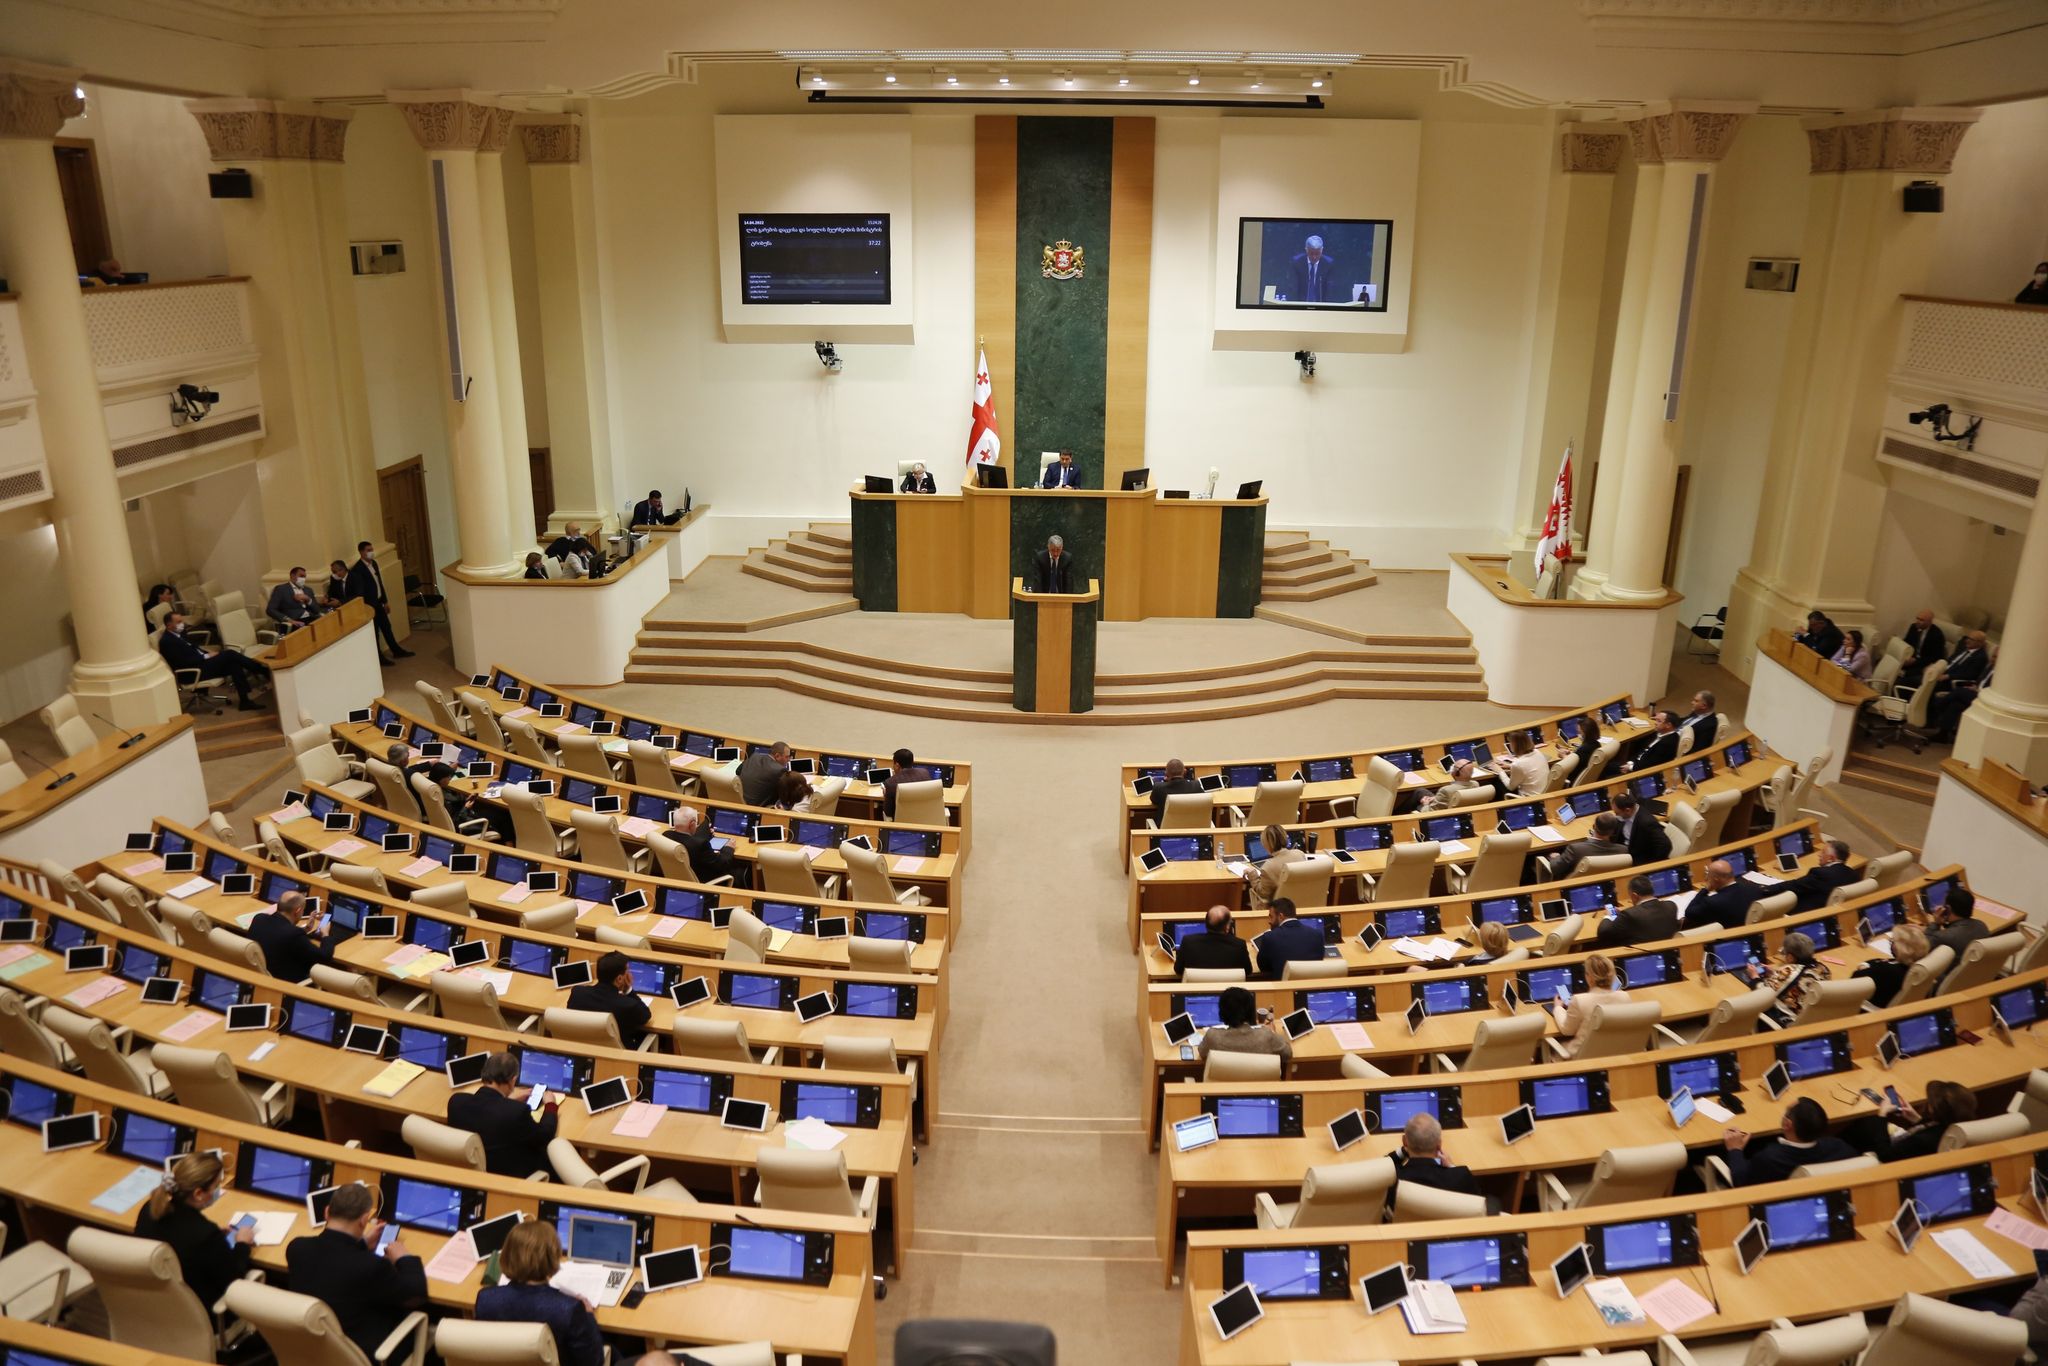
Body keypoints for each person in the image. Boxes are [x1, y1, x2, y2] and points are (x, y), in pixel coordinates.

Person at [284, 1181, 426, 1361]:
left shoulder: (297, 1248)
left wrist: (362, 1243)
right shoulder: (372, 1266)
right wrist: (404, 1258)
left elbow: (334, 1260)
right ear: (364, 1220)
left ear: (327, 1212)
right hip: (359, 1354)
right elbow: (416, 1295)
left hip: (309, 1350)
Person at [135, 1152, 253, 1310]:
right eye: (216, 1186)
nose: (219, 1190)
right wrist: (243, 1244)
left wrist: (216, 1239)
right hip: (202, 1310)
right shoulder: (205, 1235)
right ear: (198, 1194)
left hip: (153, 1305)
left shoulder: (150, 1209)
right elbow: (234, 1280)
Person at [475, 1222, 604, 1366]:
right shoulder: (570, 1309)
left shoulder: (485, 1300)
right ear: (553, 1257)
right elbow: (594, 1362)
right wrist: (589, 1316)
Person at [446, 1053, 558, 1176]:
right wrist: (550, 1105)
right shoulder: (517, 1112)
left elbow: (487, 1110)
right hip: (510, 1174)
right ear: (512, 1080)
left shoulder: (456, 1102)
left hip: (467, 1170)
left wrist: (507, 1101)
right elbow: (544, 1136)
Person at [1715, 1098, 1857, 1186]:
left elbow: (1741, 1181)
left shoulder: (1769, 1158)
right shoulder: (1840, 1148)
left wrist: (1735, 1149)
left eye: (1786, 1111)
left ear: (1787, 1124)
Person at [160, 609, 270, 710]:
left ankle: (245, 701)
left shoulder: (180, 633)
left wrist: (207, 655)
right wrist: (206, 656)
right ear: (169, 625)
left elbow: (194, 649)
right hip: (191, 672)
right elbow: (182, 663)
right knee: (230, 654)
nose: (182, 624)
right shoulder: (167, 641)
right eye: (178, 622)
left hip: (201, 664)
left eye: (182, 621)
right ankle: (262, 670)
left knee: (234, 664)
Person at [1847, 1079, 1977, 1162]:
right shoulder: (1953, 1128)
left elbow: (1885, 1155)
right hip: (1908, 1149)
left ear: (1934, 1109)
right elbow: (1932, 1129)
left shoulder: (1922, 1141)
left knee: (1864, 1125)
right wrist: (1916, 1118)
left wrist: (1882, 1114)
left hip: (1887, 1159)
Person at [567, 951, 652, 1050]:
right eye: (628, 971)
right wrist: (628, 990)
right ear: (619, 979)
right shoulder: (628, 1005)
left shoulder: (577, 993)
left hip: (580, 1049)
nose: (630, 974)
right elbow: (646, 1015)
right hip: (617, 1055)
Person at [345, 540, 411, 664]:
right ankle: (379, 658)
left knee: (386, 627)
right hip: (370, 605)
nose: (371, 552)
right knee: (375, 632)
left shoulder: (374, 563)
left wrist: (385, 601)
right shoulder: (357, 570)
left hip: (379, 602)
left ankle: (396, 650)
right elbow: (361, 591)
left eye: (372, 549)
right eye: (368, 550)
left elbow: (379, 583)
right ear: (361, 552)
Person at [247, 891, 336, 982]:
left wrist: (306, 929)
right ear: (297, 911)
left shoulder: (259, 919)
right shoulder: (294, 934)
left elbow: (279, 931)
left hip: (256, 975)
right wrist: (325, 934)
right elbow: (324, 957)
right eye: (303, 910)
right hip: (285, 981)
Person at [1744, 930, 1830, 1025]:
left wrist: (1754, 977)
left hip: (1789, 1023)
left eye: (1784, 953)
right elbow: (1796, 977)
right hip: (1816, 1020)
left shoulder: (1788, 971)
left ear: (1790, 957)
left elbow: (1762, 994)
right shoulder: (1822, 969)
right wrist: (1775, 973)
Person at [1389, 1112, 1482, 1198]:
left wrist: (1403, 1150)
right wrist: (1452, 1167)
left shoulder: (1392, 1178)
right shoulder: (1461, 1176)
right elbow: (1477, 1204)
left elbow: (1384, 1164)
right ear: (1439, 1144)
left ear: (1404, 1141)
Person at [1552, 953, 1630, 1056]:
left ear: (1589, 978)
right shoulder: (1624, 997)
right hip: (1617, 1054)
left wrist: (1558, 1008)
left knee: (1551, 1051)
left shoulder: (1579, 1000)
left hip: (1583, 1057)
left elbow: (1567, 1030)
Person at [1196, 986, 1290, 1070]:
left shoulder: (1213, 1036)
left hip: (1223, 1084)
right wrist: (1273, 1033)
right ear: (1251, 1012)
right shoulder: (1266, 1035)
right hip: (1259, 1084)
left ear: (1222, 1012)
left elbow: (1202, 1053)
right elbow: (1287, 1053)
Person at [425, 761, 514, 843]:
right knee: (503, 815)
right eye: (448, 777)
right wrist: (466, 808)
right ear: (442, 780)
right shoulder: (444, 798)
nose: (450, 779)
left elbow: (455, 805)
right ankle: (508, 845)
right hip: (462, 824)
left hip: (461, 815)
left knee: (491, 809)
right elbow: (456, 819)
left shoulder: (432, 790)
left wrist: (466, 800)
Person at [1852, 922, 1929, 1009]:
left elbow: (1855, 977)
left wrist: (1863, 966)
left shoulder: (1887, 970)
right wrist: (1869, 964)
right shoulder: (1913, 966)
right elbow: (1880, 961)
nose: (1891, 943)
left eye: (1893, 941)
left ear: (1901, 948)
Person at [1683, 859, 1770, 932]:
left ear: (1716, 879)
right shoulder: (1753, 888)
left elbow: (1689, 913)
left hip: (1731, 936)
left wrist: (1705, 890)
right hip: (1757, 931)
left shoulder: (1713, 902)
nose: (1706, 879)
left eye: (1708, 875)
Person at [1594, 876, 1679, 949]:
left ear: (1634, 896)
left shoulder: (1629, 915)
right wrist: (1624, 913)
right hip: (1668, 950)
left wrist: (1608, 916)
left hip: (1641, 954)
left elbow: (1603, 932)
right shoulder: (1671, 906)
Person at [1255, 896, 1325, 980]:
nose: (1269, 921)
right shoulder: (1317, 935)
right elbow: (1319, 962)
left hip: (1282, 986)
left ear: (1280, 916)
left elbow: (1263, 968)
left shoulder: (1270, 937)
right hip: (1310, 985)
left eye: (1271, 917)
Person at [1174, 905, 1252, 979]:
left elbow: (1178, 970)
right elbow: (1248, 971)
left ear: (1206, 923)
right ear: (1227, 926)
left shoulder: (1188, 942)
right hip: (1230, 988)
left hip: (1197, 988)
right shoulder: (1239, 945)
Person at [1781, 836, 1858, 911]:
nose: (1819, 855)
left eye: (1823, 852)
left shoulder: (1821, 873)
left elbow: (1794, 885)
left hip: (1805, 913)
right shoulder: (1854, 875)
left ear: (1831, 858)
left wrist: (1772, 887)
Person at [668, 805, 739, 883]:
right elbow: (722, 864)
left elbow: (687, 838)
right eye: (696, 823)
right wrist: (729, 848)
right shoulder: (701, 845)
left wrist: (706, 833)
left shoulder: (666, 835)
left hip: (673, 878)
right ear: (692, 824)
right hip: (703, 880)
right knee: (739, 873)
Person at [1552, 812, 1627, 879]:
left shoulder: (1575, 849)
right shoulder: (1623, 851)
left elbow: (1554, 868)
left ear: (1594, 827)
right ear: (1613, 832)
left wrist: (1556, 857)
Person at [1932, 661, 1992, 743]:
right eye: (1993, 656)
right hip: (1975, 692)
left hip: (1983, 697)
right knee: (1956, 704)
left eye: (1995, 657)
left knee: (1959, 691)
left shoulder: (2001, 675)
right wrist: (1975, 686)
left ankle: (1938, 706)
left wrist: (1978, 690)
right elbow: (1979, 681)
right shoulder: (1989, 667)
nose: (1992, 659)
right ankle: (1943, 734)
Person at [1246, 824, 1305, 906]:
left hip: (1282, 907)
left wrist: (1253, 875)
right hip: (1303, 900)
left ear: (1266, 845)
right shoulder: (1300, 854)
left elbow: (1263, 893)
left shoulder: (1268, 867)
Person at [1610, 792, 1672, 865]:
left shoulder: (1647, 823)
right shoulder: (1625, 815)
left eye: (1617, 813)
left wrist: (1651, 865)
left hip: (1637, 859)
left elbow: (1665, 845)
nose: (1616, 816)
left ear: (1627, 810)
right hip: (1622, 849)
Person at [1928, 884, 1990, 956]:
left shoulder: (1943, 936)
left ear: (1948, 909)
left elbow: (1924, 947)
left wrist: (1936, 924)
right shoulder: (1981, 925)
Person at [1899, 610, 1947, 688]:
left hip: (1924, 663)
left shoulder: (1937, 635)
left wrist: (1915, 661)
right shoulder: (1913, 627)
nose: (1918, 622)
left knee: (1903, 677)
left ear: (1929, 622)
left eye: (1921, 620)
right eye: (1917, 618)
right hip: (1911, 659)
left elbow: (1936, 657)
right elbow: (1907, 642)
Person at [880, 748, 933, 819]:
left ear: (897, 765)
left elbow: (888, 812)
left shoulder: (890, 783)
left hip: (901, 822)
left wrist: (886, 794)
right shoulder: (924, 773)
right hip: (925, 819)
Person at [266, 567, 321, 632]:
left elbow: (317, 610)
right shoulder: (281, 589)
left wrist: (308, 599)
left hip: (311, 618)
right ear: (292, 576)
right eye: (301, 576)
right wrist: (289, 620)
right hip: (295, 621)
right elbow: (270, 610)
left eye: (304, 577)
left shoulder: (308, 590)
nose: (303, 579)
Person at [1286, 235, 1337, 303]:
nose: (1314, 257)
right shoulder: (1297, 262)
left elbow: (1330, 290)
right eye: (1311, 253)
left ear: (1322, 250)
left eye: (1317, 253)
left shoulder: (1328, 264)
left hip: (1321, 305)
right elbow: (1293, 287)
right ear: (1306, 250)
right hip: (1300, 304)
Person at [738, 741, 790, 807]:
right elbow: (785, 794)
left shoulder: (754, 756)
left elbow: (738, 771)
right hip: (757, 808)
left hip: (739, 801)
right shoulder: (780, 770)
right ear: (777, 756)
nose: (788, 760)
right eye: (787, 757)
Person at [1498, 730, 1548, 799]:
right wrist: (1510, 766)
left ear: (1515, 745)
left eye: (1510, 742)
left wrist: (1500, 771)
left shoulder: (1517, 764)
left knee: (1498, 784)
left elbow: (1510, 787)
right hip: (1545, 794)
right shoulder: (1537, 752)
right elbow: (1529, 766)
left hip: (1530, 799)